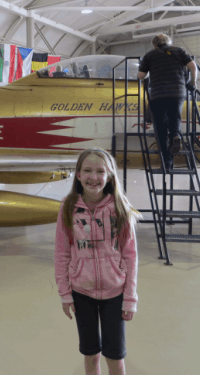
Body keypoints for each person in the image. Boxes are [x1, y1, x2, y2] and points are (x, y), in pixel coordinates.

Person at [55, 149, 140, 375]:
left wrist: (130, 297)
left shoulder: (120, 208)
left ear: (110, 175)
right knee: (91, 355)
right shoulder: (68, 208)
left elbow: (130, 255)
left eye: (100, 171)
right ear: (78, 175)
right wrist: (65, 293)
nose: (94, 177)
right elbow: (62, 253)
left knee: (115, 358)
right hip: (82, 294)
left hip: (115, 294)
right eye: (87, 170)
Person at [137, 33, 198, 171]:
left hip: (158, 94)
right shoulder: (179, 51)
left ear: (154, 43)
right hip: (177, 92)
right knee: (174, 118)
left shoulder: (150, 55)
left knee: (161, 131)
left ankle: (166, 165)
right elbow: (193, 66)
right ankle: (176, 135)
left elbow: (141, 76)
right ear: (168, 42)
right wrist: (192, 82)